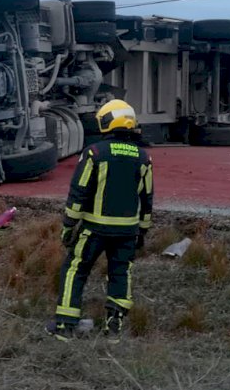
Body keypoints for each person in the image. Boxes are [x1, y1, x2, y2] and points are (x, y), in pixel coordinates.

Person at [48, 99, 153, 342]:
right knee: (121, 272)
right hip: (127, 231)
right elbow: (147, 198)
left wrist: (68, 225)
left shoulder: (95, 153)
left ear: (107, 123)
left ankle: (65, 326)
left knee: (75, 269)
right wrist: (143, 232)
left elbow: (79, 192)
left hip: (94, 229)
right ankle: (113, 327)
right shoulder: (143, 158)